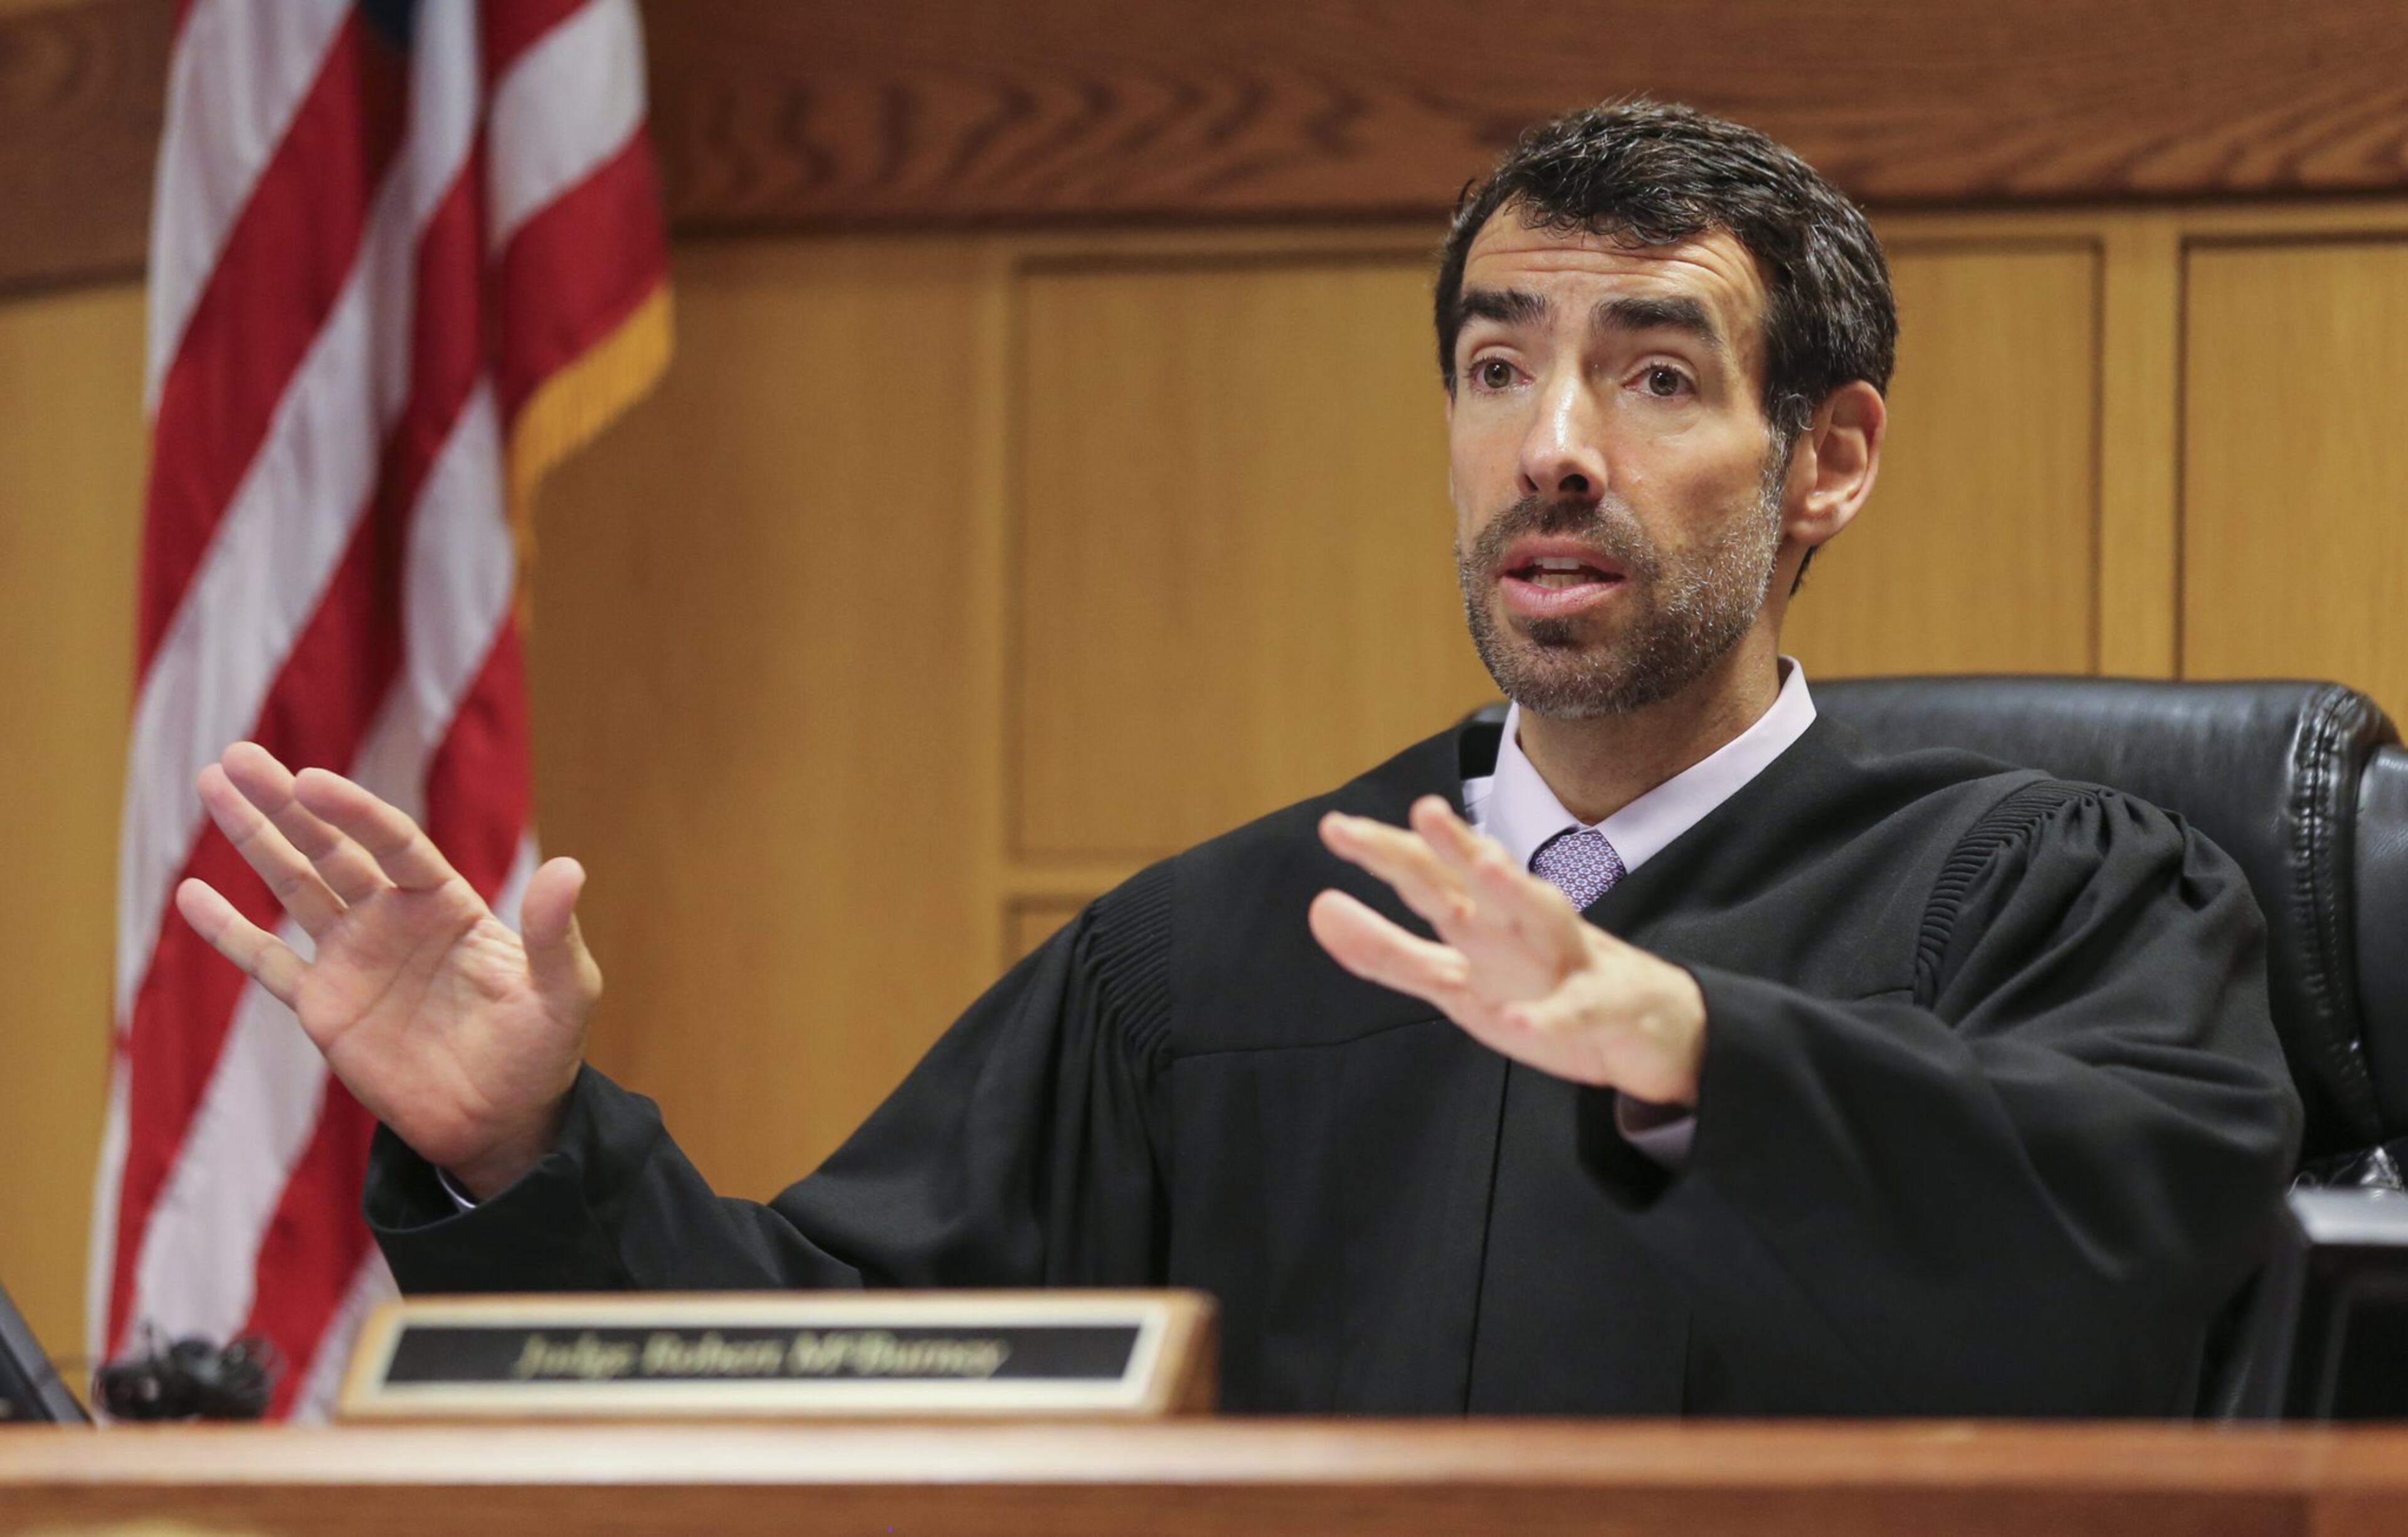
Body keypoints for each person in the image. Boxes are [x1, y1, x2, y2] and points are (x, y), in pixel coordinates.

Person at [175, 102, 2301, 1415]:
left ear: (1827, 457)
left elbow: (2134, 1275)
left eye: (1655, 372)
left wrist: (1690, 1049)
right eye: (1497, 367)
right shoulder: (1221, 961)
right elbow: (858, 1362)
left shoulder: (2055, 892)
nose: (1551, 447)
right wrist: (525, 1147)